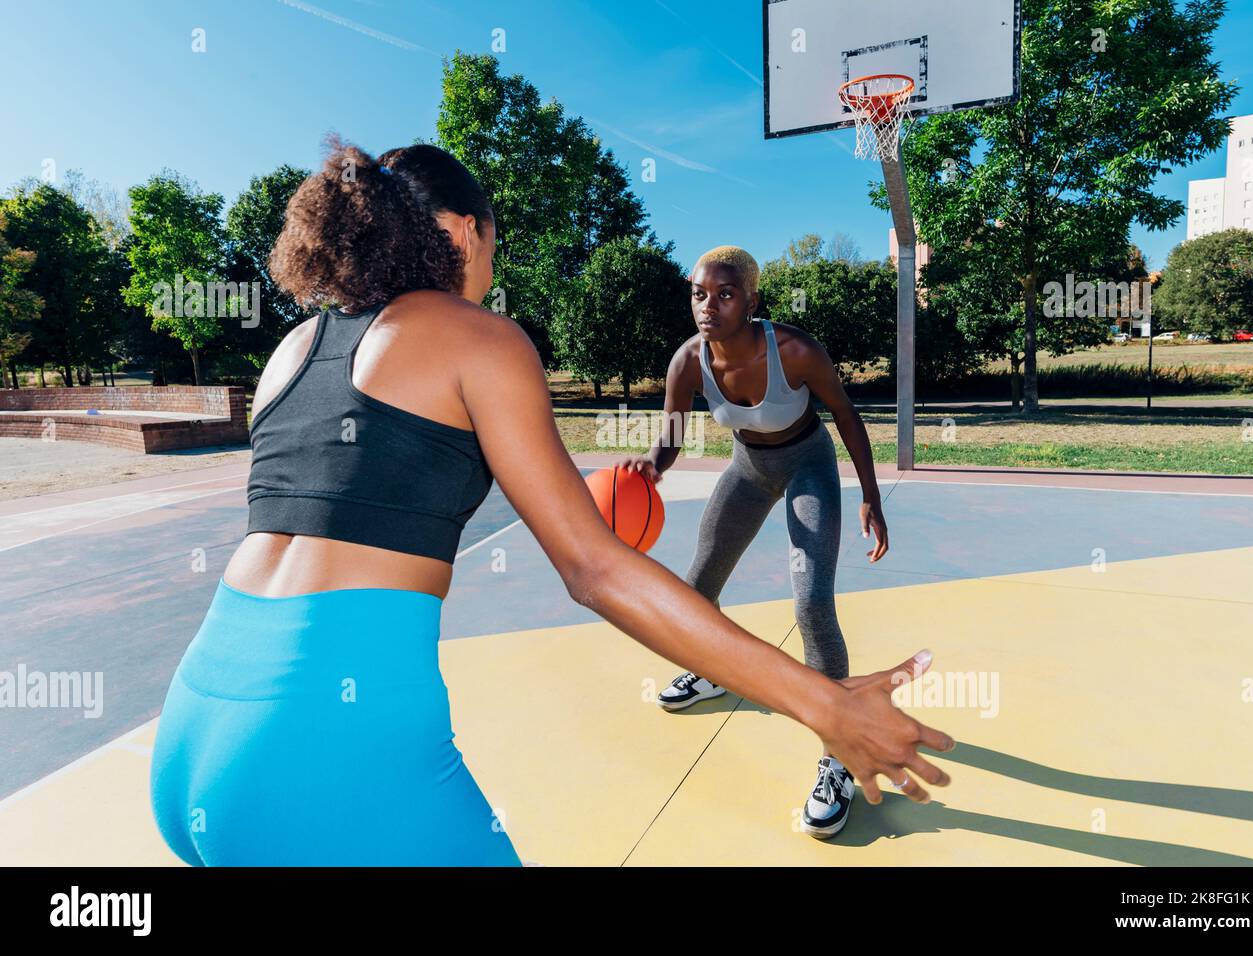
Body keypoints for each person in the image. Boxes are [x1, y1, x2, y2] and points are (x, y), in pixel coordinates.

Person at [149, 139, 952, 866]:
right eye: (493, 239)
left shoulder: (294, 347)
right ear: (464, 233)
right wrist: (826, 706)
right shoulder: (476, 335)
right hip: (328, 750)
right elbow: (595, 569)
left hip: (193, 732)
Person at [616, 245, 890, 838]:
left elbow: (845, 414)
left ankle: (838, 754)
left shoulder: (794, 350)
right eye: (698, 293)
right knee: (697, 590)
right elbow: (671, 433)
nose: (708, 305)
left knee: (812, 603)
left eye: (725, 293)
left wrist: (869, 494)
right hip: (747, 467)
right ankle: (713, 672)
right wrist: (652, 466)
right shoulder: (688, 361)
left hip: (806, 466)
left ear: (752, 300)